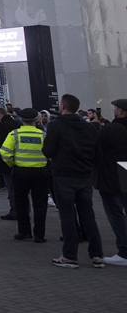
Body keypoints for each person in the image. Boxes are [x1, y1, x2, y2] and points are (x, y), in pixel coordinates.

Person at [43, 93, 105, 268]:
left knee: (68, 216)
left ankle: (70, 255)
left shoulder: (56, 126)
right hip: (84, 176)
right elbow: (98, 154)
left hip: (63, 175)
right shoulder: (90, 128)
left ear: (63, 106)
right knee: (88, 215)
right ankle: (97, 254)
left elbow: (48, 151)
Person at [0, 108, 50, 242]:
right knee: (40, 204)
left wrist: (12, 163)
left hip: (21, 172)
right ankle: (39, 235)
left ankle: (24, 231)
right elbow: (50, 152)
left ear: (21, 120)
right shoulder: (43, 135)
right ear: (36, 120)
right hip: (40, 172)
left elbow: (4, 152)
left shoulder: (14, 134)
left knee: (21, 202)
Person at [96, 99, 127, 266]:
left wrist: (96, 126)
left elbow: (96, 143)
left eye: (115, 109)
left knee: (115, 214)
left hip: (112, 178)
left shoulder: (111, 130)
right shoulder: (114, 128)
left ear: (121, 111)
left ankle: (124, 252)